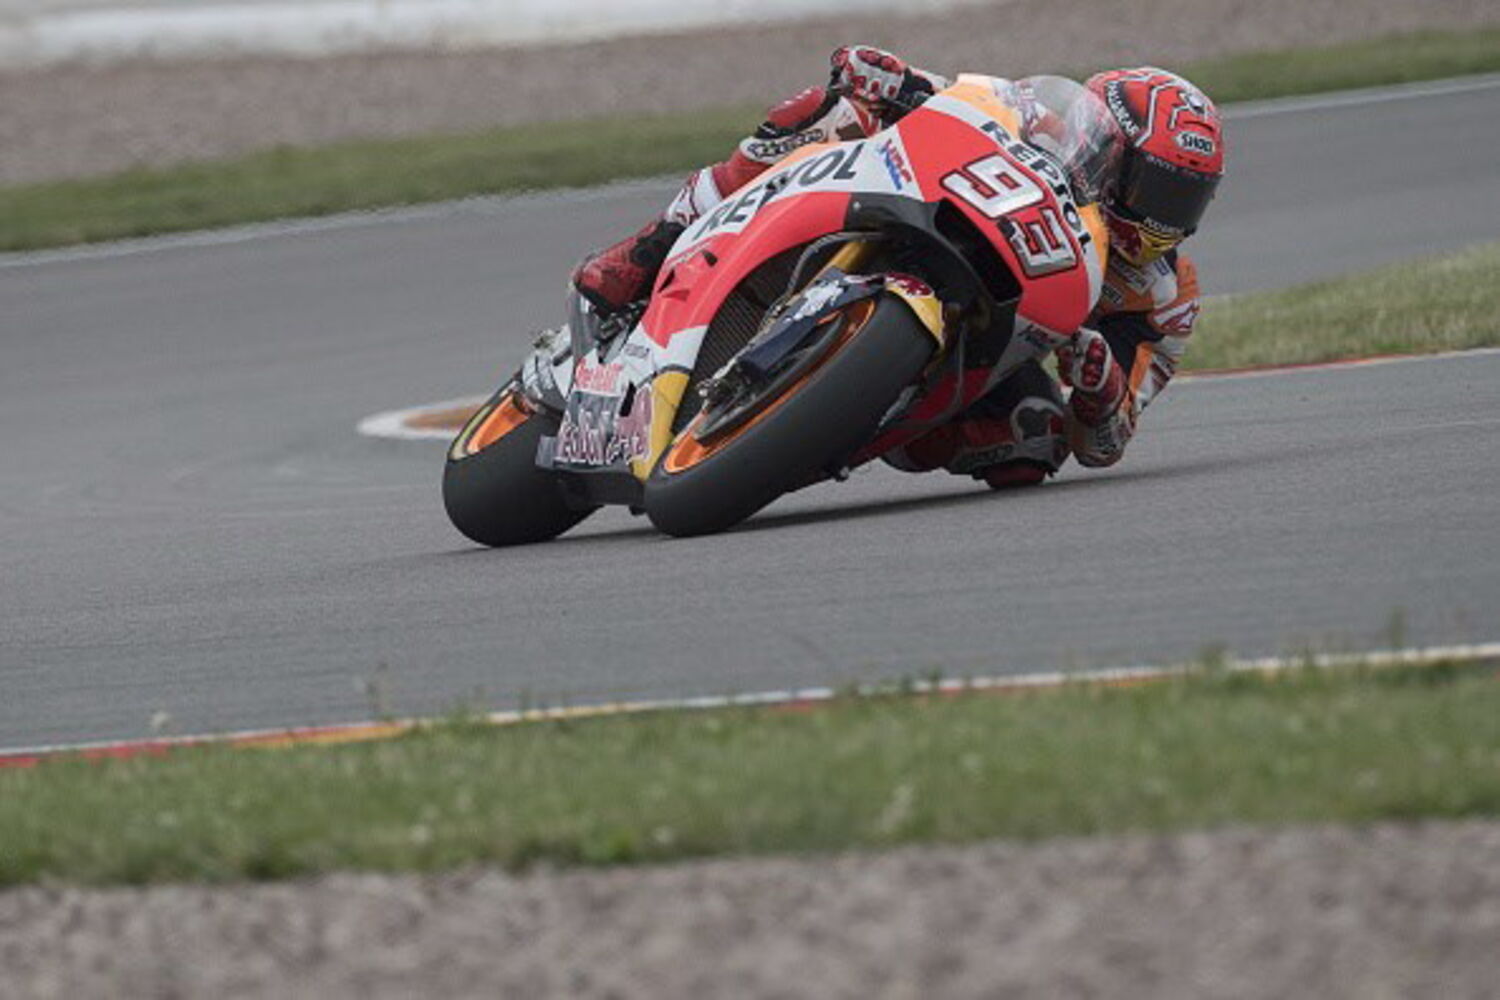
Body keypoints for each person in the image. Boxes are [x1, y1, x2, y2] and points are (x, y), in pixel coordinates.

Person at [573, 48, 1225, 486]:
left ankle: (844, 423)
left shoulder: (1166, 299)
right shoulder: (1044, 125)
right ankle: (652, 244)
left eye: (1185, 200)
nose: (1163, 218)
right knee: (826, 112)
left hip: (987, 345)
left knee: (1034, 437)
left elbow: (1105, 443)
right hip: (928, 205)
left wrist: (1100, 388)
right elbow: (958, 101)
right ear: (1111, 151)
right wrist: (894, 79)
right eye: (1155, 189)